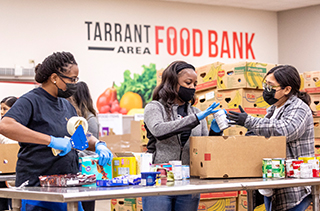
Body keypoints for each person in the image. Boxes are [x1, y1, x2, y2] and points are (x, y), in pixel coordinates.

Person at [0, 52, 113, 211]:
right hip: (37, 189)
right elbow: (6, 125)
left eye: (76, 80)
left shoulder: (66, 105)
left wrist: (98, 144)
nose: (74, 84)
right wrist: (50, 140)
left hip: (66, 187)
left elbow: (79, 136)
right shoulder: (31, 101)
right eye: (72, 79)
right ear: (54, 78)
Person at [227, 65, 314, 211]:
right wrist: (252, 133)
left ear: (287, 89)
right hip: (273, 184)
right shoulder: (274, 109)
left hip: (293, 188)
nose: (266, 89)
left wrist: (249, 121)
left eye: (271, 86)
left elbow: (286, 130)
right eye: (265, 84)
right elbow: (269, 132)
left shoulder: (299, 108)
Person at [142, 61, 224, 211]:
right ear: (172, 82)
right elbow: (158, 130)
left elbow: (204, 148)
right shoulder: (154, 107)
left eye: (195, 84)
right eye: (188, 82)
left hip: (188, 181)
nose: (192, 87)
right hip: (159, 180)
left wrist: (216, 132)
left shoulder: (195, 112)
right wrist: (196, 119)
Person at [68, 81, 99, 211]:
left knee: (87, 204)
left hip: (86, 167)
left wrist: (98, 144)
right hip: (75, 168)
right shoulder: (73, 117)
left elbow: (85, 143)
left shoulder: (88, 119)